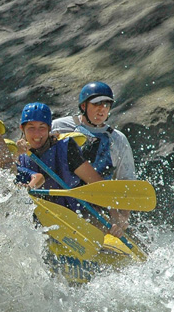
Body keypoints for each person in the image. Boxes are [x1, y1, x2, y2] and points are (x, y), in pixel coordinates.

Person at [51, 81, 135, 237]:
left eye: (106, 105)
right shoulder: (59, 126)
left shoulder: (117, 139)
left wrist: (122, 218)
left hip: (98, 204)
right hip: (61, 196)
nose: (102, 109)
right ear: (83, 106)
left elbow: (127, 181)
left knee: (114, 230)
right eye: (97, 104)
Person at [15, 102, 111, 221]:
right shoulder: (18, 155)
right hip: (43, 220)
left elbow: (98, 185)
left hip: (79, 213)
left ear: (49, 128)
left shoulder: (66, 149)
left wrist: (116, 218)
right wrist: (16, 154)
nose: (37, 134)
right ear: (22, 129)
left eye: (42, 127)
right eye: (31, 128)